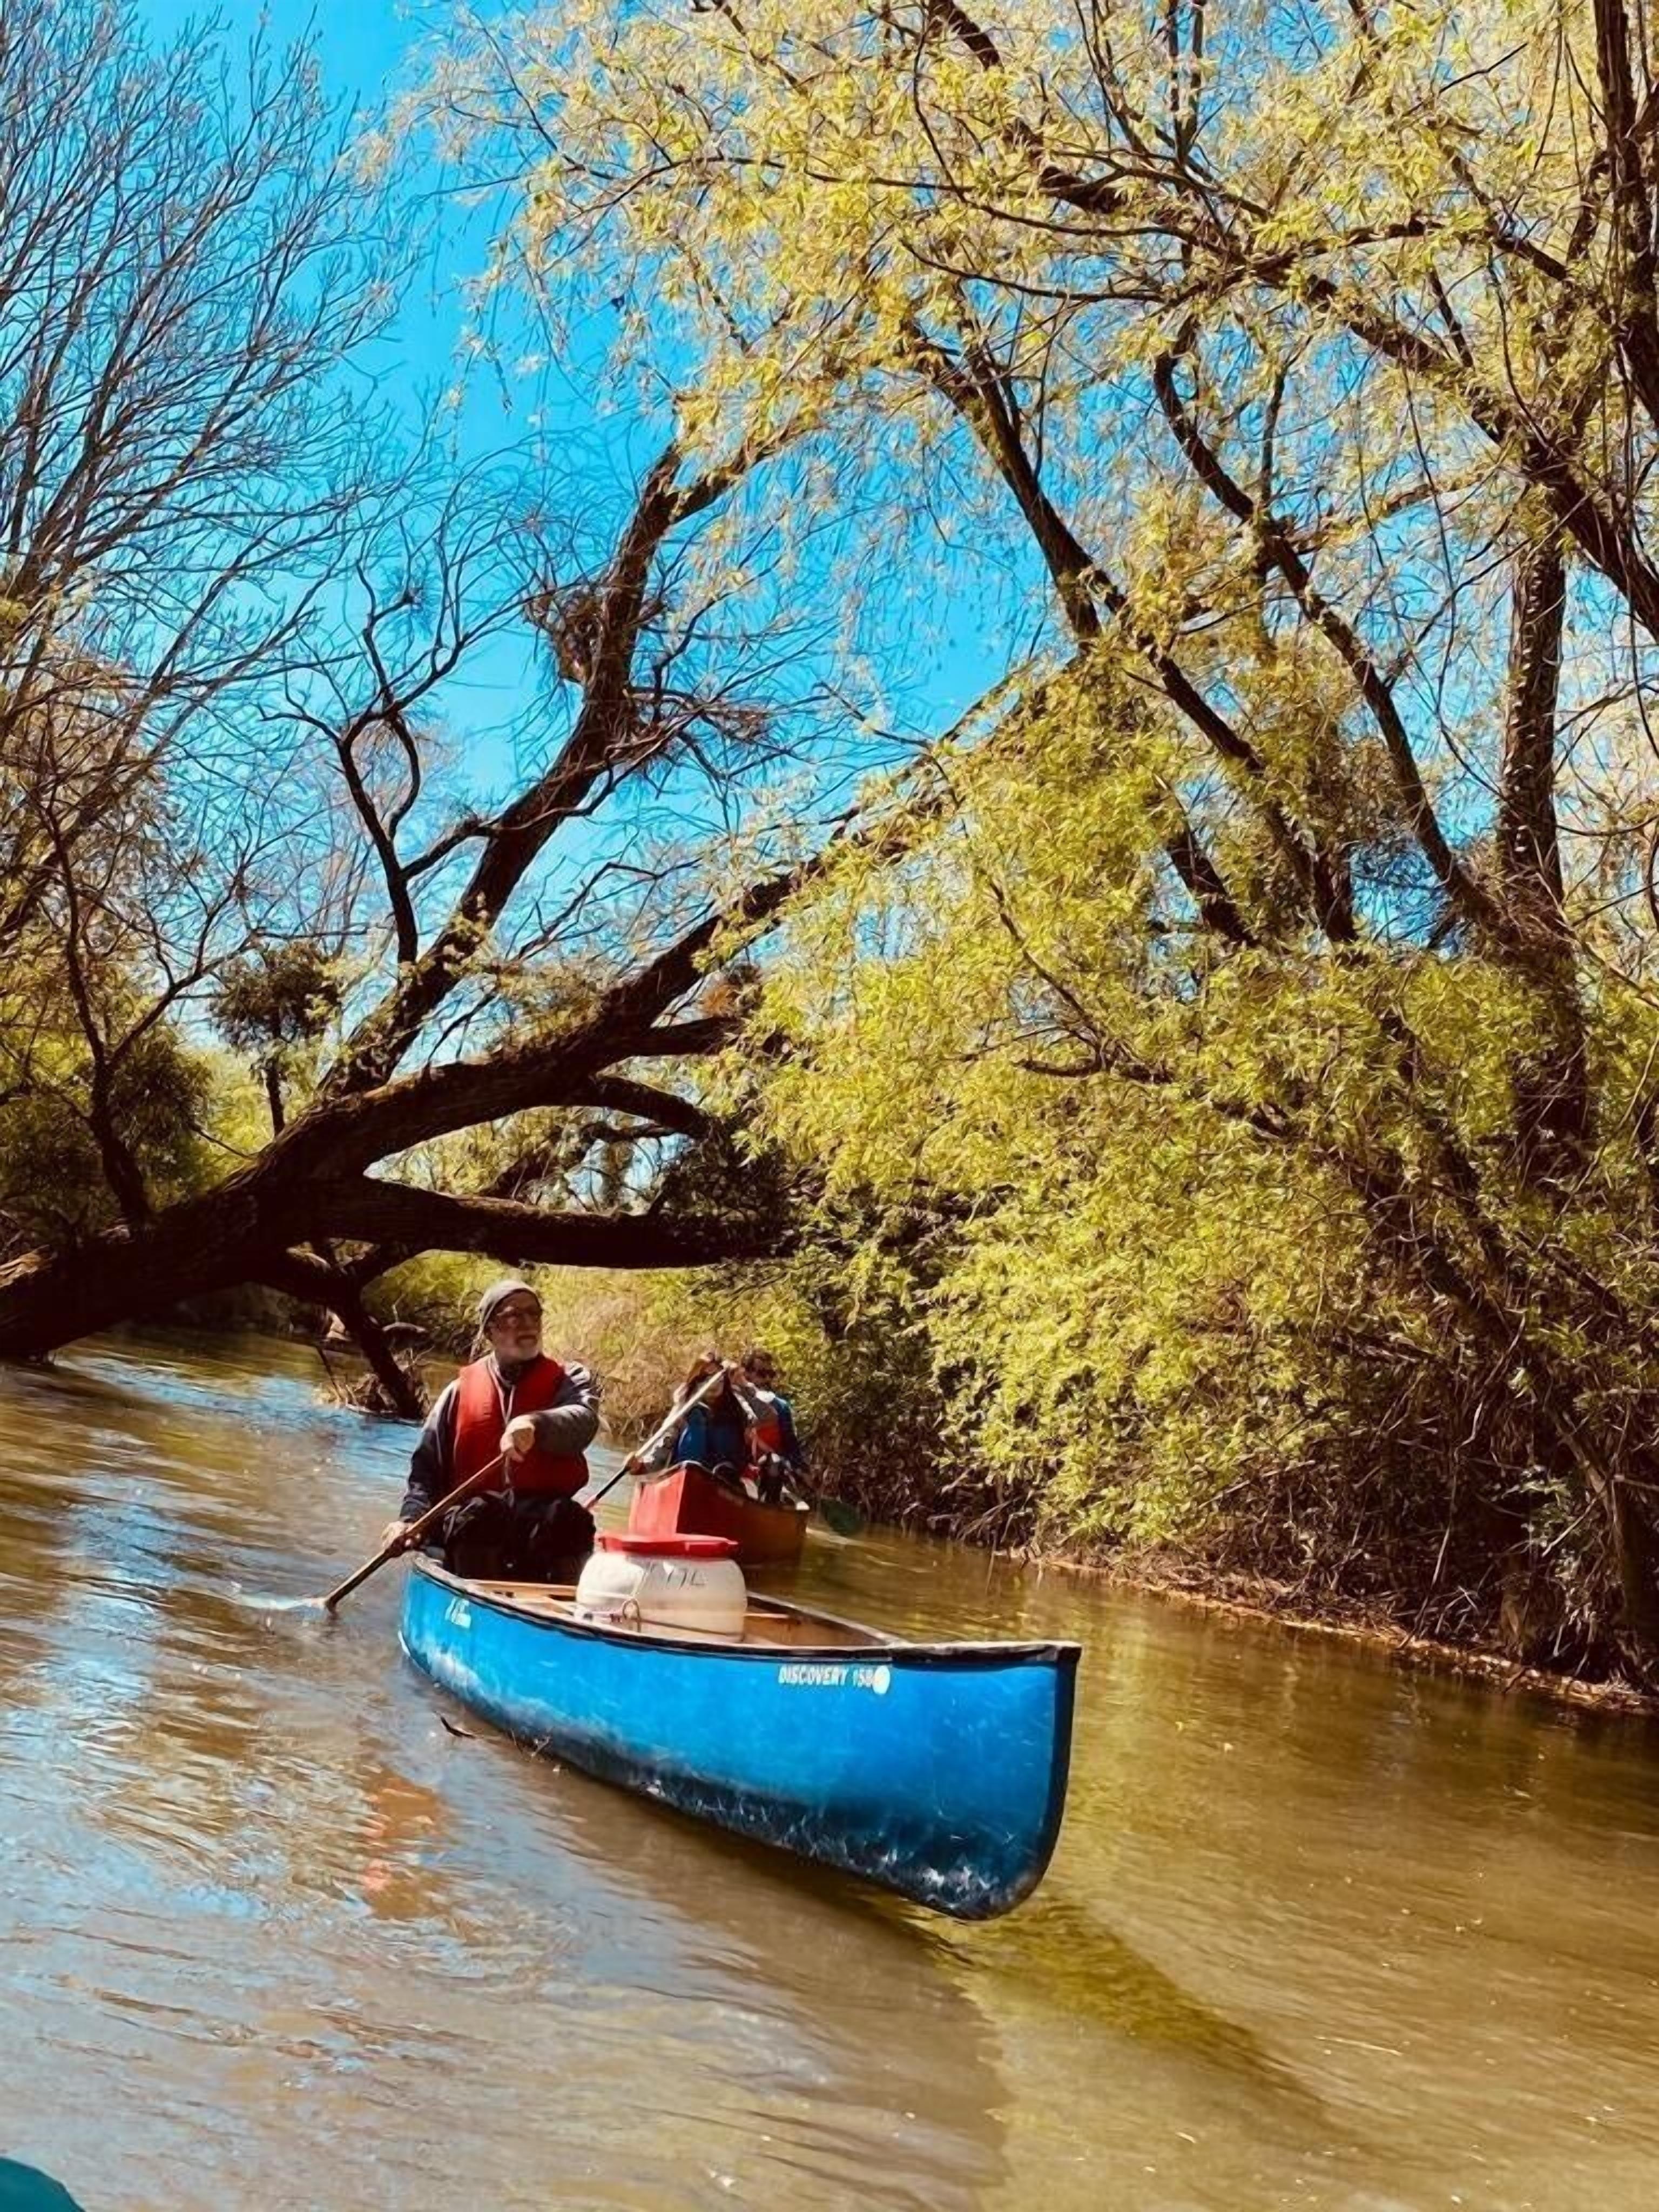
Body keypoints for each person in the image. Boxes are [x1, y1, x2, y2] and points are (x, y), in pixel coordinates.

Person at [380, 1279, 602, 1581]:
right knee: (480, 1514)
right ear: (490, 1332)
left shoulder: (570, 1380)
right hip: (475, 1527)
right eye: (514, 1316)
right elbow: (425, 1472)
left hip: (539, 1520)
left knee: (570, 1519)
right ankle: (479, 1600)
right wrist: (409, 1521)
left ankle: (563, 1611)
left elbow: (583, 1421)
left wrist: (534, 1423)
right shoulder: (458, 1393)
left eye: (534, 1314)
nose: (528, 1323)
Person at [736, 1345, 806, 1502]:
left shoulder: (781, 1407)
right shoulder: (731, 1399)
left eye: (771, 1374)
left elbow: (790, 1444)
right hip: (738, 1466)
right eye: (762, 1374)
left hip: (769, 1470)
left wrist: (798, 1467)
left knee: (775, 1465)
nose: (767, 1379)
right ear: (745, 1373)